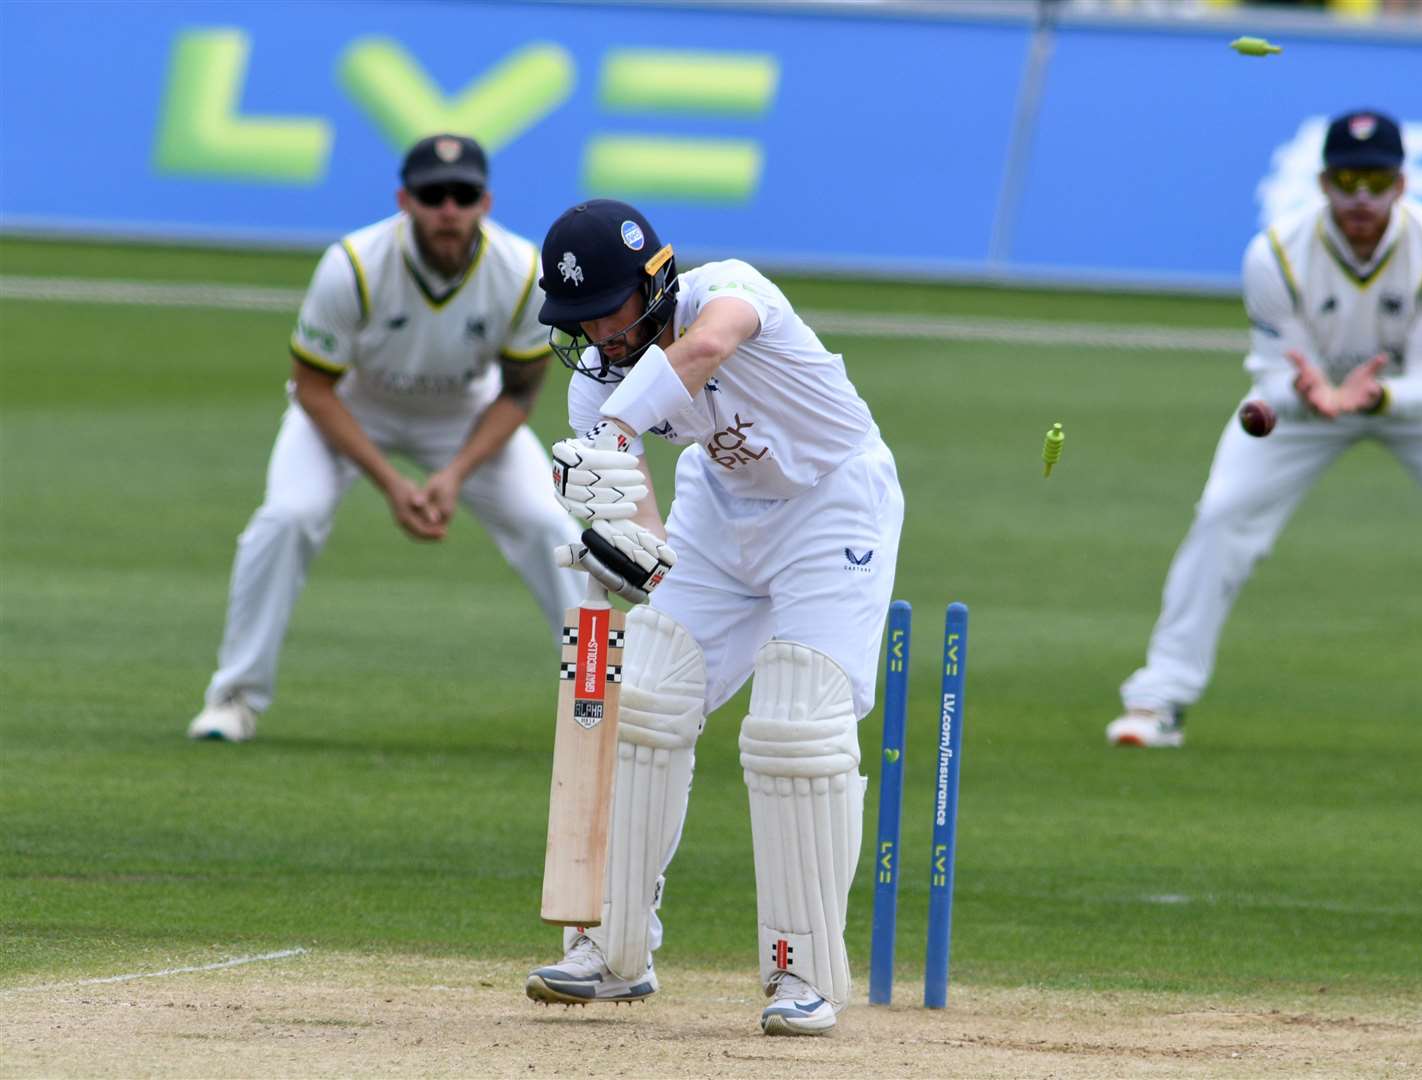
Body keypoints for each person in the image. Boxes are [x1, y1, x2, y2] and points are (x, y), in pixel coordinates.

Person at [521, 199, 905, 1035]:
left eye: (603, 313)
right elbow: (650, 539)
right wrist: (624, 550)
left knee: (797, 726)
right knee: (647, 703)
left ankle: (798, 971)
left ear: (655, 282)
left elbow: (706, 349)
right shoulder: (596, 386)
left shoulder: (729, 289)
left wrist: (625, 419)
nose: (593, 337)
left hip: (833, 502)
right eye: (574, 320)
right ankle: (612, 949)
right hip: (720, 512)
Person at [1106, 109, 1422, 765]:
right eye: (1345, 180)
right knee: (1221, 515)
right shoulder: (1274, 254)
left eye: (1374, 180)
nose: (1359, 198)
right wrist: (1303, 393)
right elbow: (1273, 375)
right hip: (1308, 408)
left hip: (1421, 404)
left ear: (1400, 183)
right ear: (1321, 182)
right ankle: (1155, 700)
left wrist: (1377, 395)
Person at [187, 134, 585, 742]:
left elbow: (520, 394)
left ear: (486, 201)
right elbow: (313, 387)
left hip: (463, 409)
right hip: (353, 404)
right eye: (432, 194)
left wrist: (453, 476)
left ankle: (605, 694)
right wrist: (393, 485)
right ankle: (233, 699)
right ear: (405, 199)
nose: (447, 207)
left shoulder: (522, 271)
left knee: (549, 524)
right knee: (289, 517)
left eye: (463, 194)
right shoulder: (353, 265)